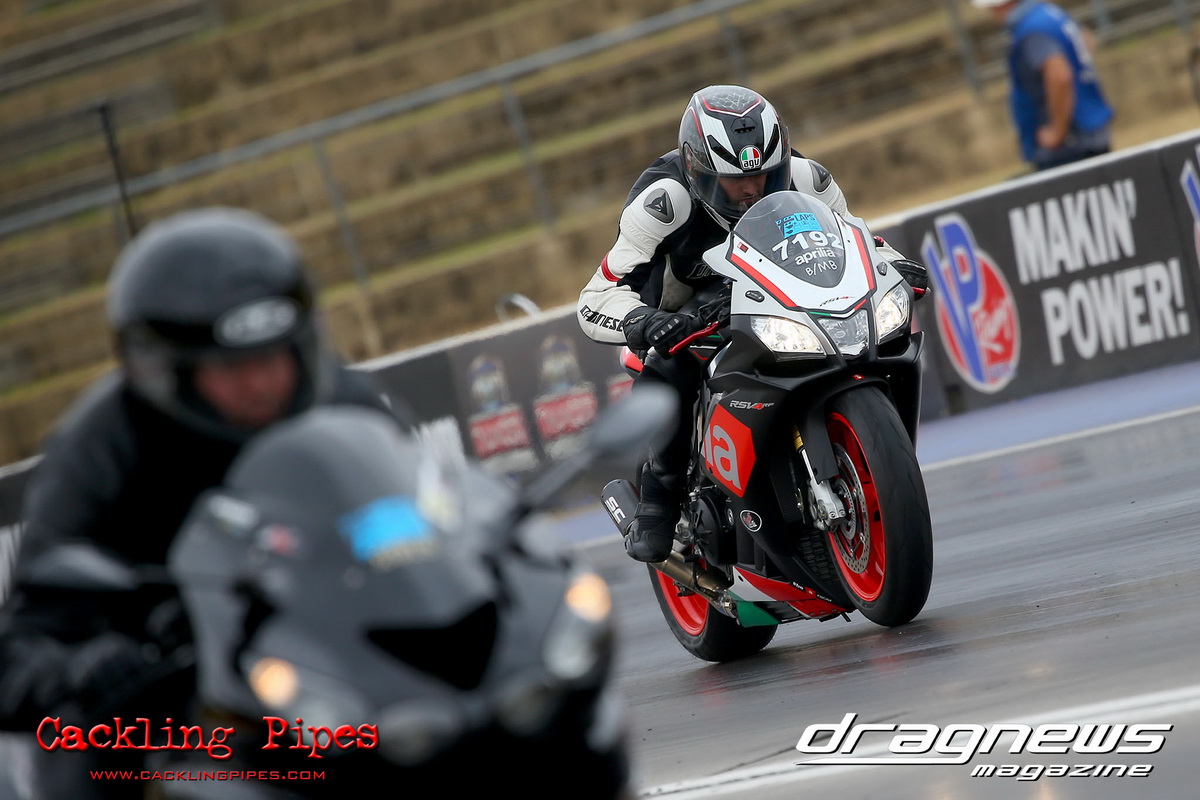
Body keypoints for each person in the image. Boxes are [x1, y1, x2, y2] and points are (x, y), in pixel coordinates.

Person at [0, 207, 413, 798]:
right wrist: (84, 671)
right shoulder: (102, 447)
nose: (260, 384)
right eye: (231, 367)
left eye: (272, 357)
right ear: (165, 370)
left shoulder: (345, 401)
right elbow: (20, 645)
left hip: (337, 672)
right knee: (86, 752)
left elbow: (428, 514)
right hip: (179, 708)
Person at [576, 85, 928, 563]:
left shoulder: (806, 178)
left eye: (765, 175)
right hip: (681, 310)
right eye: (733, 182)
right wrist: (645, 321)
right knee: (673, 366)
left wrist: (897, 266)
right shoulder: (664, 201)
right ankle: (658, 501)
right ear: (698, 169)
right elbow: (597, 295)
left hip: (770, 294)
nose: (752, 190)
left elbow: (857, 239)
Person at [973, 0, 1114, 171]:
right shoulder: (1048, 13)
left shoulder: (1031, 28)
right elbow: (1086, 40)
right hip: (1090, 130)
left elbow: (1059, 76)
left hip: (1071, 143)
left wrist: (1057, 132)